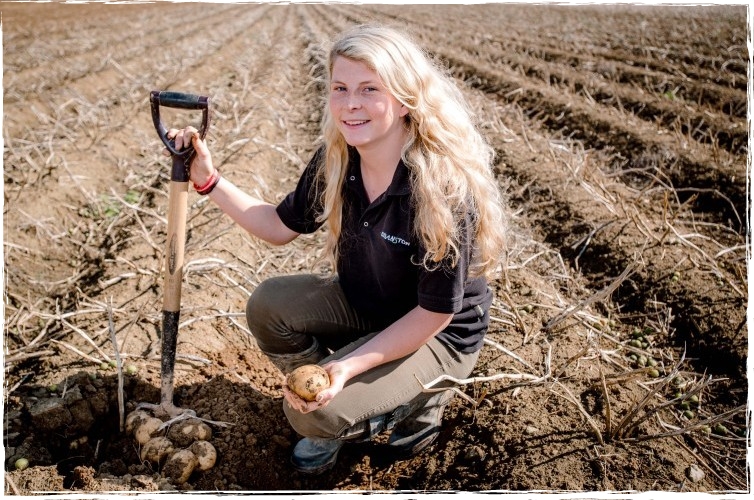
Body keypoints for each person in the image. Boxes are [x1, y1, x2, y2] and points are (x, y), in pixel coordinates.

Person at [168, 24, 509, 475]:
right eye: (340, 88)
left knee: (315, 414)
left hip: (436, 334)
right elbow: (277, 226)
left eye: (370, 89)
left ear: (405, 99)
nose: (351, 104)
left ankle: (410, 405)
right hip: (370, 304)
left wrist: (344, 368)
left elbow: (434, 314)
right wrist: (207, 180)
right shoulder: (338, 159)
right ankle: (340, 399)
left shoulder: (442, 190)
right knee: (269, 306)